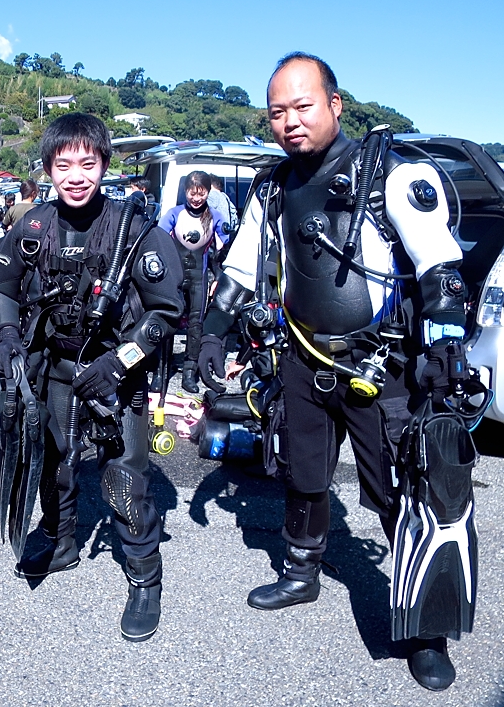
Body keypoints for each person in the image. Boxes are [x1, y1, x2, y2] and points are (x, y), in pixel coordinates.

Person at [198, 53, 469, 690]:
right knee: (303, 469)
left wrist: (444, 350)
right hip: (300, 355)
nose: (290, 122)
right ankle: (301, 571)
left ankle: (426, 630)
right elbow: (241, 267)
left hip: (377, 360)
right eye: (277, 112)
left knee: (402, 490)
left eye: (303, 106)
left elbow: (442, 268)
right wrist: (211, 331)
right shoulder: (273, 186)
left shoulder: (391, 174)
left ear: (335, 104)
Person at [0, 112, 184, 642]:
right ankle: (62, 541)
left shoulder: (135, 231)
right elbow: (3, 283)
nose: (76, 175)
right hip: (55, 369)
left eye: (87, 163)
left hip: (119, 374)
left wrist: (119, 361)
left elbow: (166, 313)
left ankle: (144, 575)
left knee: (123, 479)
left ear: (104, 164)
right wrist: (7, 336)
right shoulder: (32, 226)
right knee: (55, 464)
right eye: (63, 164)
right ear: (48, 167)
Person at [159, 171, 229, 393]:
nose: (196, 198)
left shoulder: (216, 216)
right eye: (192, 193)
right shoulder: (175, 213)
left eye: (201, 193)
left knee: (196, 325)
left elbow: (225, 251)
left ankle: (190, 371)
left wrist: (219, 278)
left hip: (200, 277)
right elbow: (158, 240)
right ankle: (162, 370)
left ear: (208, 192)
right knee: (169, 321)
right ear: (185, 192)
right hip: (175, 276)